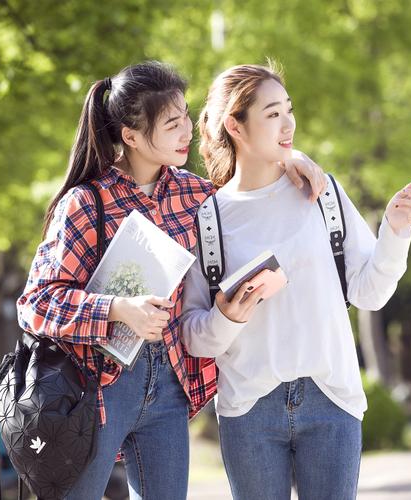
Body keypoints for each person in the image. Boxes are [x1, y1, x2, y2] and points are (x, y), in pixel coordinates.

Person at [16, 60, 326, 500]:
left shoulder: (197, 195)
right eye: (173, 124)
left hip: (170, 388)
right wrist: (118, 309)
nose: (187, 133)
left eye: (186, 118)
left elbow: (249, 187)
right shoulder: (87, 203)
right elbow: (37, 304)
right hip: (99, 388)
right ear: (131, 136)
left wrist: (293, 158)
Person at [181, 63, 411, 500]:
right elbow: (193, 336)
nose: (289, 124)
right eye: (273, 113)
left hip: (331, 401)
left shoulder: (322, 194)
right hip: (248, 410)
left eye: (289, 109)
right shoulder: (208, 219)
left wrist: (395, 232)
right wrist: (226, 317)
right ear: (235, 126)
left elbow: (369, 293)